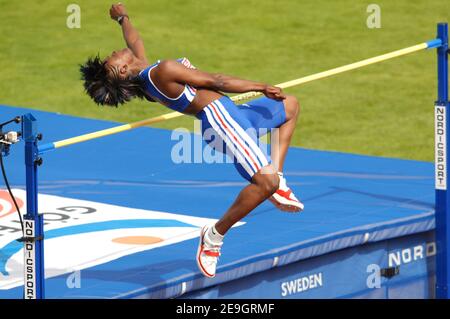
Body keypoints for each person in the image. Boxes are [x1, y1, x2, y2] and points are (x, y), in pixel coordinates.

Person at [80, 3, 304, 278]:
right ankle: (214, 236)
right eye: (110, 61)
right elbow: (216, 79)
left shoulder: (144, 69)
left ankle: (278, 177)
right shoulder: (160, 72)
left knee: (290, 106)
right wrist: (260, 87)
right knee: (264, 183)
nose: (113, 53)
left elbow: (134, 39)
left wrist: (122, 17)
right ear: (122, 72)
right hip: (221, 120)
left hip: (234, 115)